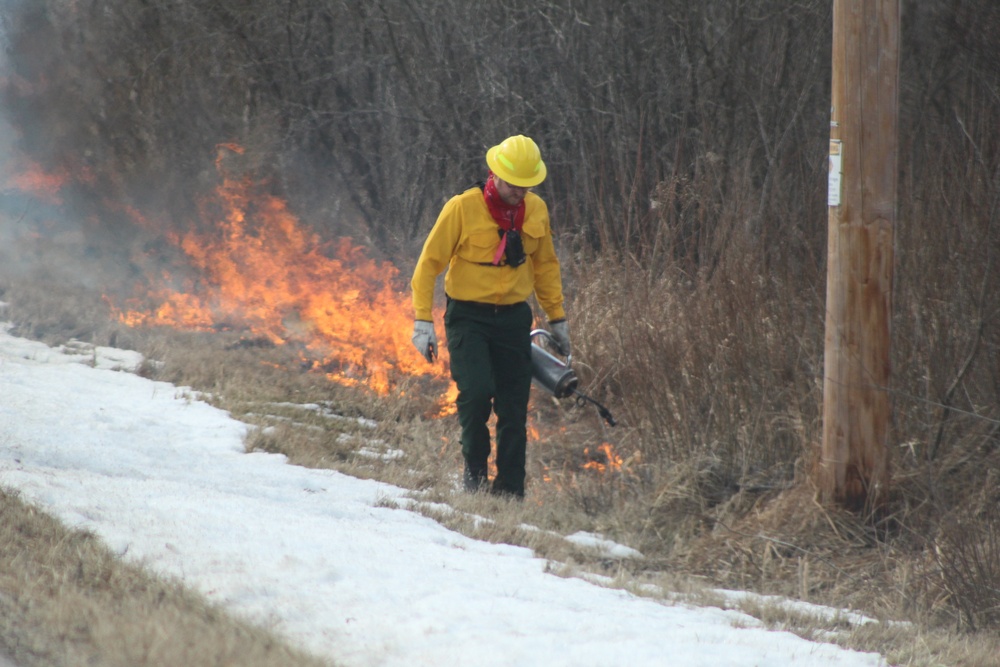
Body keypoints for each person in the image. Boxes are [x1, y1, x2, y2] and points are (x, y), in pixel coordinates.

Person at [410, 134, 570, 499]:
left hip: (514, 319)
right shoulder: (462, 207)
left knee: (514, 407)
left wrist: (557, 320)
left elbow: (545, 267)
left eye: (527, 185)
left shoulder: (537, 211)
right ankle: (475, 476)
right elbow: (428, 265)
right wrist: (423, 321)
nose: (520, 192)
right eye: (514, 183)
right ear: (495, 173)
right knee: (477, 393)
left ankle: (510, 490)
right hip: (469, 317)